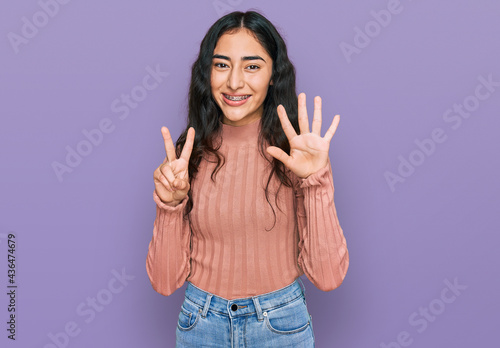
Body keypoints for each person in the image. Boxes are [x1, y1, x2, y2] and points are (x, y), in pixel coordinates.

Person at [146, 10, 349, 347]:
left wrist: (316, 180)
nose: (235, 82)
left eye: (252, 66)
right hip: (201, 325)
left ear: (273, 75)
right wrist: (170, 205)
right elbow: (165, 283)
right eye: (221, 65)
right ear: (207, 73)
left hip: (280, 325)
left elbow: (328, 277)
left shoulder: (295, 154)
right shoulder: (187, 157)